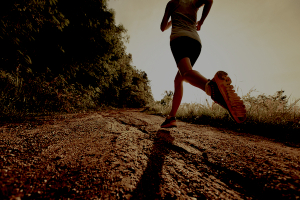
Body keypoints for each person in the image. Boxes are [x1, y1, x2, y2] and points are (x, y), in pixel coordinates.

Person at [160, 0, 246, 128]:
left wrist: (173, 18)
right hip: (195, 43)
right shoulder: (193, 2)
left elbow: (162, 27)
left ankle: (211, 86)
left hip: (179, 39)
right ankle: (171, 117)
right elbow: (209, 0)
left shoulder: (172, 3)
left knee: (185, 73)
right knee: (178, 79)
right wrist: (201, 21)